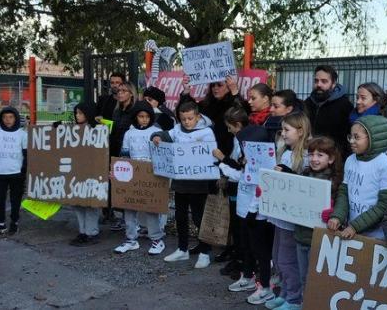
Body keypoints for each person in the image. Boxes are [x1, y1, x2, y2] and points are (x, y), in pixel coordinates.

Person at [216, 110, 276, 305]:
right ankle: (248, 276)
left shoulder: (265, 161)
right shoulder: (247, 160)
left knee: (261, 250)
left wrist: (253, 209)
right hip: (243, 209)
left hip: (256, 214)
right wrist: (223, 166)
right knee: (246, 247)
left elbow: (261, 187)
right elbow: (242, 178)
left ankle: (265, 286)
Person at [152, 101, 215, 268]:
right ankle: (182, 249)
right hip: (180, 181)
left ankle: (205, 252)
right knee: (180, 216)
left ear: (198, 116)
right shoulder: (178, 129)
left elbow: (212, 154)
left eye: (190, 118)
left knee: (199, 217)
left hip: (199, 182)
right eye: (183, 119)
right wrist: (156, 136)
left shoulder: (207, 132)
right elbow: (165, 134)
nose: (187, 122)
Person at [263, 113, 311, 310]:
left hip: (293, 219)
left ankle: (294, 298)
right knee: (277, 256)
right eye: (282, 130)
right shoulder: (285, 153)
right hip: (280, 215)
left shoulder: (307, 156)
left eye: (286, 130)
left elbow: (304, 185)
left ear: (300, 131)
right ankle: (284, 292)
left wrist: (286, 174)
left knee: (288, 259)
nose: (283, 134)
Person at [327, 115, 387, 240]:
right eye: (351, 136)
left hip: (375, 236)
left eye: (357, 137)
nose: (351, 141)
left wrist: (355, 226)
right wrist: (337, 216)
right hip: (351, 230)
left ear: (373, 139)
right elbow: (344, 193)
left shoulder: (386, 165)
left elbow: (384, 205)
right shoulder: (350, 160)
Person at [294, 136, 343, 302]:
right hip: (301, 236)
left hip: (320, 240)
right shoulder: (302, 176)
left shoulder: (334, 182)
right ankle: (303, 303)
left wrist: (333, 212)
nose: (314, 159)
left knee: (316, 280)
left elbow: (342, 209)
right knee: (303, 277)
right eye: (311, 154)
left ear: (331, 159)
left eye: (320, 155)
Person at [113, 101, 166, 255]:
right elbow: (124, 154)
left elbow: (162, 153)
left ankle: (157, 239)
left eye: (147, 116)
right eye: (140, 116)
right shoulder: (129, 133)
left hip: (151, 173)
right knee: (129, 207)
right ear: (135, 117)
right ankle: (131, 239)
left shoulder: (156, 131)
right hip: (132, 172)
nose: (144, 119)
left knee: (151, 208)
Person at [178, 75, 246, 159]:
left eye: (219, 85)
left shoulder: (234, 104)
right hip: (203, 152)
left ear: (229, 87)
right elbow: (186, 111)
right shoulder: (206, 104)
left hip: (225, 152)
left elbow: (242, 113)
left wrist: (235, 92)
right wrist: (186, 91)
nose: (215, 88)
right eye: (213, 85)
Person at [0, 106, 27, 236]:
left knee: (16, 200)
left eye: (10, 117)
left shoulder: (22, 134)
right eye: (4, 117)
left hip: (16, 173)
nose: (7, 120)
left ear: (15, 118)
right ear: (1, 119)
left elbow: (26, 154)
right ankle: (0, 224)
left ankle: (14, 223)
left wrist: (23, 170)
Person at [68, 102, 102, 246]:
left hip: (91, 172)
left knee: (90, 203)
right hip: (76, 171)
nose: (78, 116)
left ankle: (91, 232)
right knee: (78, 203)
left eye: (81, 113)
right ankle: (83, 231)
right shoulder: (72, 130)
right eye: (76, 113)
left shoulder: (97, 130)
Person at [304, 65, 354, 155]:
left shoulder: (344, 105)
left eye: (324, 81)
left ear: (333, 83)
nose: (319, 84)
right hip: (310, 155)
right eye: (316, 81)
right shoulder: (308, 103)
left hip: (334, 157)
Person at [107, 81, 137, 231]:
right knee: (117, 185)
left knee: (127, 185)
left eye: (124, 90)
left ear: (131, 93)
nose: (120, 93)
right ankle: (120, 218)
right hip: (114, 151)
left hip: (128, 153)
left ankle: (131, 220)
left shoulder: (135, 110)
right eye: (118, 91)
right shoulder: (116, 111)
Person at [265, 89, 303, 157]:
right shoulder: (267, 121)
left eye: (276, 106)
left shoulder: (299, 124)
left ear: (289, 109)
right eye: (271, 105)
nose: (271, 109)